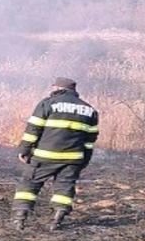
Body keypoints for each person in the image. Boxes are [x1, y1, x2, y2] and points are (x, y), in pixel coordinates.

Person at [13, 77, 99, 231]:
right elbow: (90, 140)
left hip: (44, 155)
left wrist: (24, 149)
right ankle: (57, 218)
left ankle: (20, 218)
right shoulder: (89, 109)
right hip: (72, 158)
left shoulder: (47, 104)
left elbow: (33, 129)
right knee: (65, 187)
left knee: (29, 183)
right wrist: (85, 159)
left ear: (58, 88)